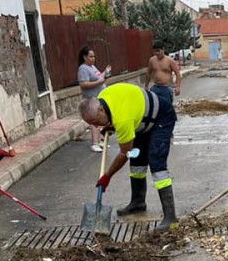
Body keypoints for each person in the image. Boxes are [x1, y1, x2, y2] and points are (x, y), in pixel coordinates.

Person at [79, 82, 179, 232]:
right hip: (141, 120)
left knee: (156, 163)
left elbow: (125, 153)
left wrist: (107, 176)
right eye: (91, 124)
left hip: (161, 117)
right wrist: (109, 124)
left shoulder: (122, 119)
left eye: (95, 122)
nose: (96, 127)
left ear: (100, 110)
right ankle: (138, 203)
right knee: (137, 160)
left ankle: (171, 218)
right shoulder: (102, 99)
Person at [77, 46, 111, 152]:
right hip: (91, 99)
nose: (93, 58)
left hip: (98, 98)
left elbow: (99, 76)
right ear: (84, 57)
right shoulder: (83, 68)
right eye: (90, 56)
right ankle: (94, 143)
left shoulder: (92, 67)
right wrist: (99, 82)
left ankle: (100, 140)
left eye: (94, 56)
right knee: (95, 121)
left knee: (101, 120)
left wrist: (105, 72)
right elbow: (83, 84)